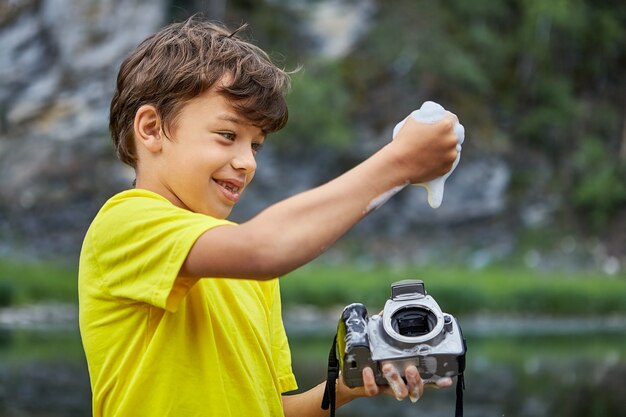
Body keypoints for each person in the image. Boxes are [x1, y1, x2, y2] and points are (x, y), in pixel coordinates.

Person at [78, 15, 459, 417]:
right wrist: (399, 163)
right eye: (228, 135)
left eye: (256, 145)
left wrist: (347, 387)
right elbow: (263, 249)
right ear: (152, 129)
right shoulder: (125, 223)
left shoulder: (248, 271)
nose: (246, 163)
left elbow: (273, 408)